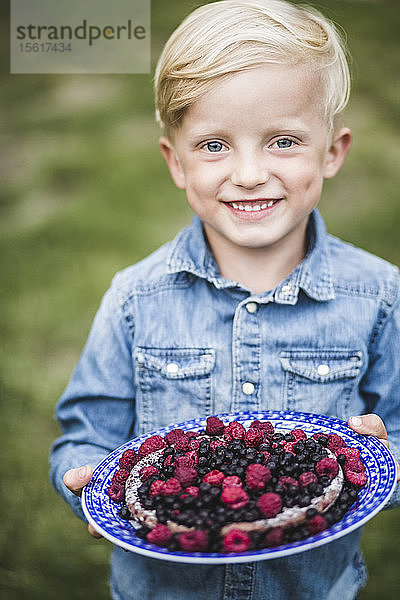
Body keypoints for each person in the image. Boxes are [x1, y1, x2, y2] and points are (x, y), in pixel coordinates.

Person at [49, 1, 400, 598]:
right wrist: (81, 478)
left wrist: (384, 458)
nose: (248, 173)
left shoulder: (380, 299)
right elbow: (86, 431)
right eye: (214, 146)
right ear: (176, 162)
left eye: (283, 141)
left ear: (333, 152)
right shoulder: (136, 299)